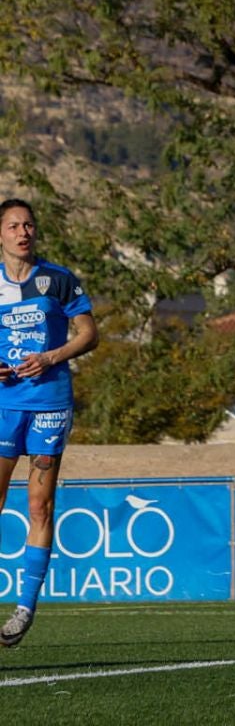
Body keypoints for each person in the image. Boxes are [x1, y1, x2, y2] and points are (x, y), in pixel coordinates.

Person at [0, 199, 98, 648]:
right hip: (4, 404)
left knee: (39, 506)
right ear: (0, 234)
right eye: (14, 226)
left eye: (29, 225)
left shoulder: (57, 279)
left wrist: (51, 357)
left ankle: (24, 608)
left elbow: (88, 333)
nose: (24, 232)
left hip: (50, 403)